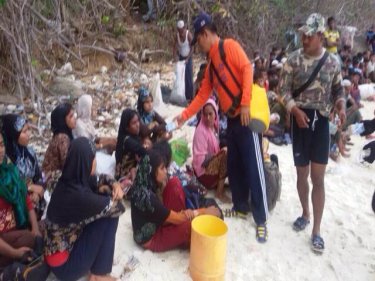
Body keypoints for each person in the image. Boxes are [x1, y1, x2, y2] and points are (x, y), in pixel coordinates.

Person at [175, 12, 269, 243]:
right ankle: (240, 206)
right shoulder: (210, 67)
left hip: (246, 116)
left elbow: (248, 69)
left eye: (198, 40)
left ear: (206, 34)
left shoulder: (230, 47)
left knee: (254, 167)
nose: (199, 45)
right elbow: (202, 95)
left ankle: (261, 219)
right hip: (233, 120)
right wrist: (184, 115)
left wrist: (246, 103)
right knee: (235, 165)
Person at [279, 13, 346, 253]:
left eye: (309, 35)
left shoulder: (333, 62)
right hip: (300, 122)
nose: (304, 39)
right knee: (301, 175)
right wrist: (294, 109)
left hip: (321, 124)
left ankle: (316, 230)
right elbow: (283, 90)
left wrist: (341, 104)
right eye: (303, 35)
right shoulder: (292, 60)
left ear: (320, 36)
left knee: (318, 178)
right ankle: (305, 212)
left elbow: (339, 89)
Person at [44, 138, 125, 281]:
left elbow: (101, 178)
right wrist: (110, 193)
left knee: (103, 197)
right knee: (108, 216)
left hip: (56, 252)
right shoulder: (79, 196)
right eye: (93, 158)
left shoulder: (66, 177)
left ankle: (98, 269)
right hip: (65, 267)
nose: (95, 162)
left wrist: (115, 185)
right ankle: (98, 274)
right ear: (87, 161)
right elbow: (119, 208)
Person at [130, 148, 221, 252]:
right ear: (152, 170)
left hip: (155, 222)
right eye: (162, 168)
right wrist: (204, 211)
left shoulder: (141, 182)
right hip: (152, 239)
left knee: (174, 183)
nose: (165, 171)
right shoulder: (148, 198)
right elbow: (178, 218)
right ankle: (181, 237)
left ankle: (178, 230)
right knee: (191, 225)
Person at [0, 132, 46, 281]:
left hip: (17, 229)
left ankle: (24, 265)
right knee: (28, 239)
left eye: (1, 144)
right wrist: (15, 253)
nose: (0, 150)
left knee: (47, 227)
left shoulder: (8, 168)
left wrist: (36, 229)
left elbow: (26, 200)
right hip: (4, 239)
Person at [1, 115, 44, 207]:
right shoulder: (3, 160)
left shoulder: (29, 153)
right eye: (24, 131)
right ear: (13, 135)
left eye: (29, 129)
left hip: (34, 206)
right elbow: (6, 188)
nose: (29, 134)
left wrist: (37, 193)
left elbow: (38, 177)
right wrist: (30, 188)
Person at [193, 99, 230, 203]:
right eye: (205, 114)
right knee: (225, 155)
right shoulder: (201, 131)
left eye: (210, 114)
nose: (208, 118)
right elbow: (201, 161)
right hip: (203, 174)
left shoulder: (213, 126)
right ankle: (219, 193)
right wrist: (219, 154)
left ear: (215, 113)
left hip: (210, 166)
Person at [42, 103, 76, 186]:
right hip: (51, 178)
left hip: (56, 174)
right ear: (62, 121)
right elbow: (68, 165)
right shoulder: (62, 138)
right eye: (71, 116)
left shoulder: (65, 134)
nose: (75, 118)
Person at [115, 109, 147, 181]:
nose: (138, 125)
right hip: (125, 176)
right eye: (134, 123)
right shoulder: (127, 141)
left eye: (138, 121)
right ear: (127, 127)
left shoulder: (131, 135)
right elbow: (144, 152)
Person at [174, 20, 193, 102]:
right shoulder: (177, 36)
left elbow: (192, 48)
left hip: (188, 57)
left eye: (182, 30)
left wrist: (188, 58)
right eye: (179, 30)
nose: (181, 32)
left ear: (184, 28)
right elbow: (174, 47)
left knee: (189, 77)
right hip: (181, 57)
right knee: (181, 77)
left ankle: (190, 96)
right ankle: (184, 95)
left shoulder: (188, 34)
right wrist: (175, 57)